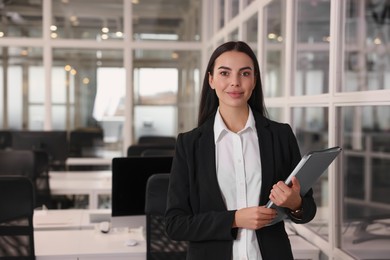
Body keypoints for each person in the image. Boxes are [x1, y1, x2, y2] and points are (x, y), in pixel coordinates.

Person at [165, 41, 317, 260]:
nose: (235, 83)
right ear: (211, 80)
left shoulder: (280, 135)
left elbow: (308, 210)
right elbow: (175, 224)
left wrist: (296, 204)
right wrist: (235, 219)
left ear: (254, 80)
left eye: (244, 73)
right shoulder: (190, 144)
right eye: (224, 73)